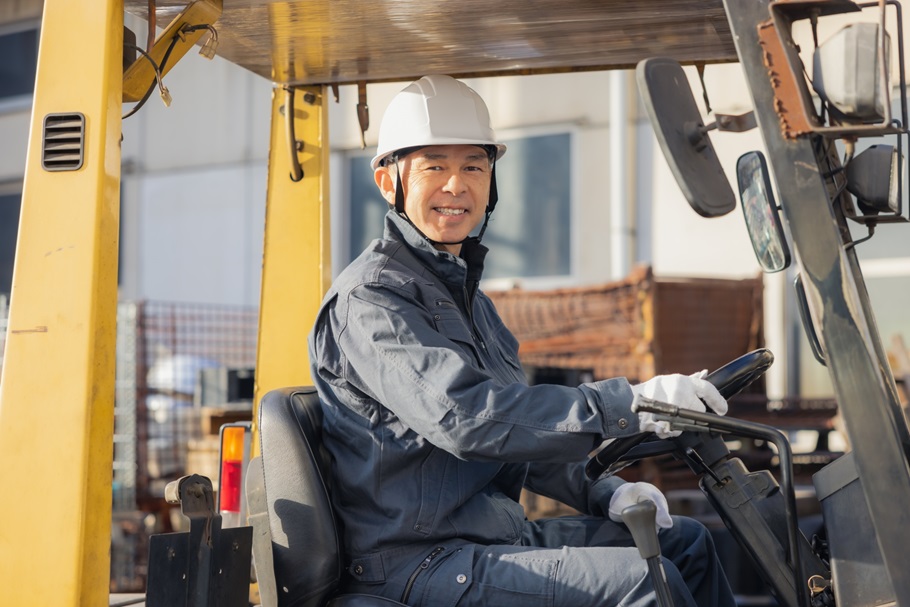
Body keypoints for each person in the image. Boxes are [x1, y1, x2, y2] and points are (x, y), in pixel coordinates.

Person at [309, 74, 736, 607]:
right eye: (434, 166)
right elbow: (468, 419)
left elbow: (518, 438)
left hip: (486, 538)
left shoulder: (469, 302)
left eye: (473, 166)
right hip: (414, 561)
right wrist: (627, 403)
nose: (455, 185)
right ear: (387, 181)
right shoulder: (373, 301)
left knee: (688, 545)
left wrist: (607, 493)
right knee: (645, 582)